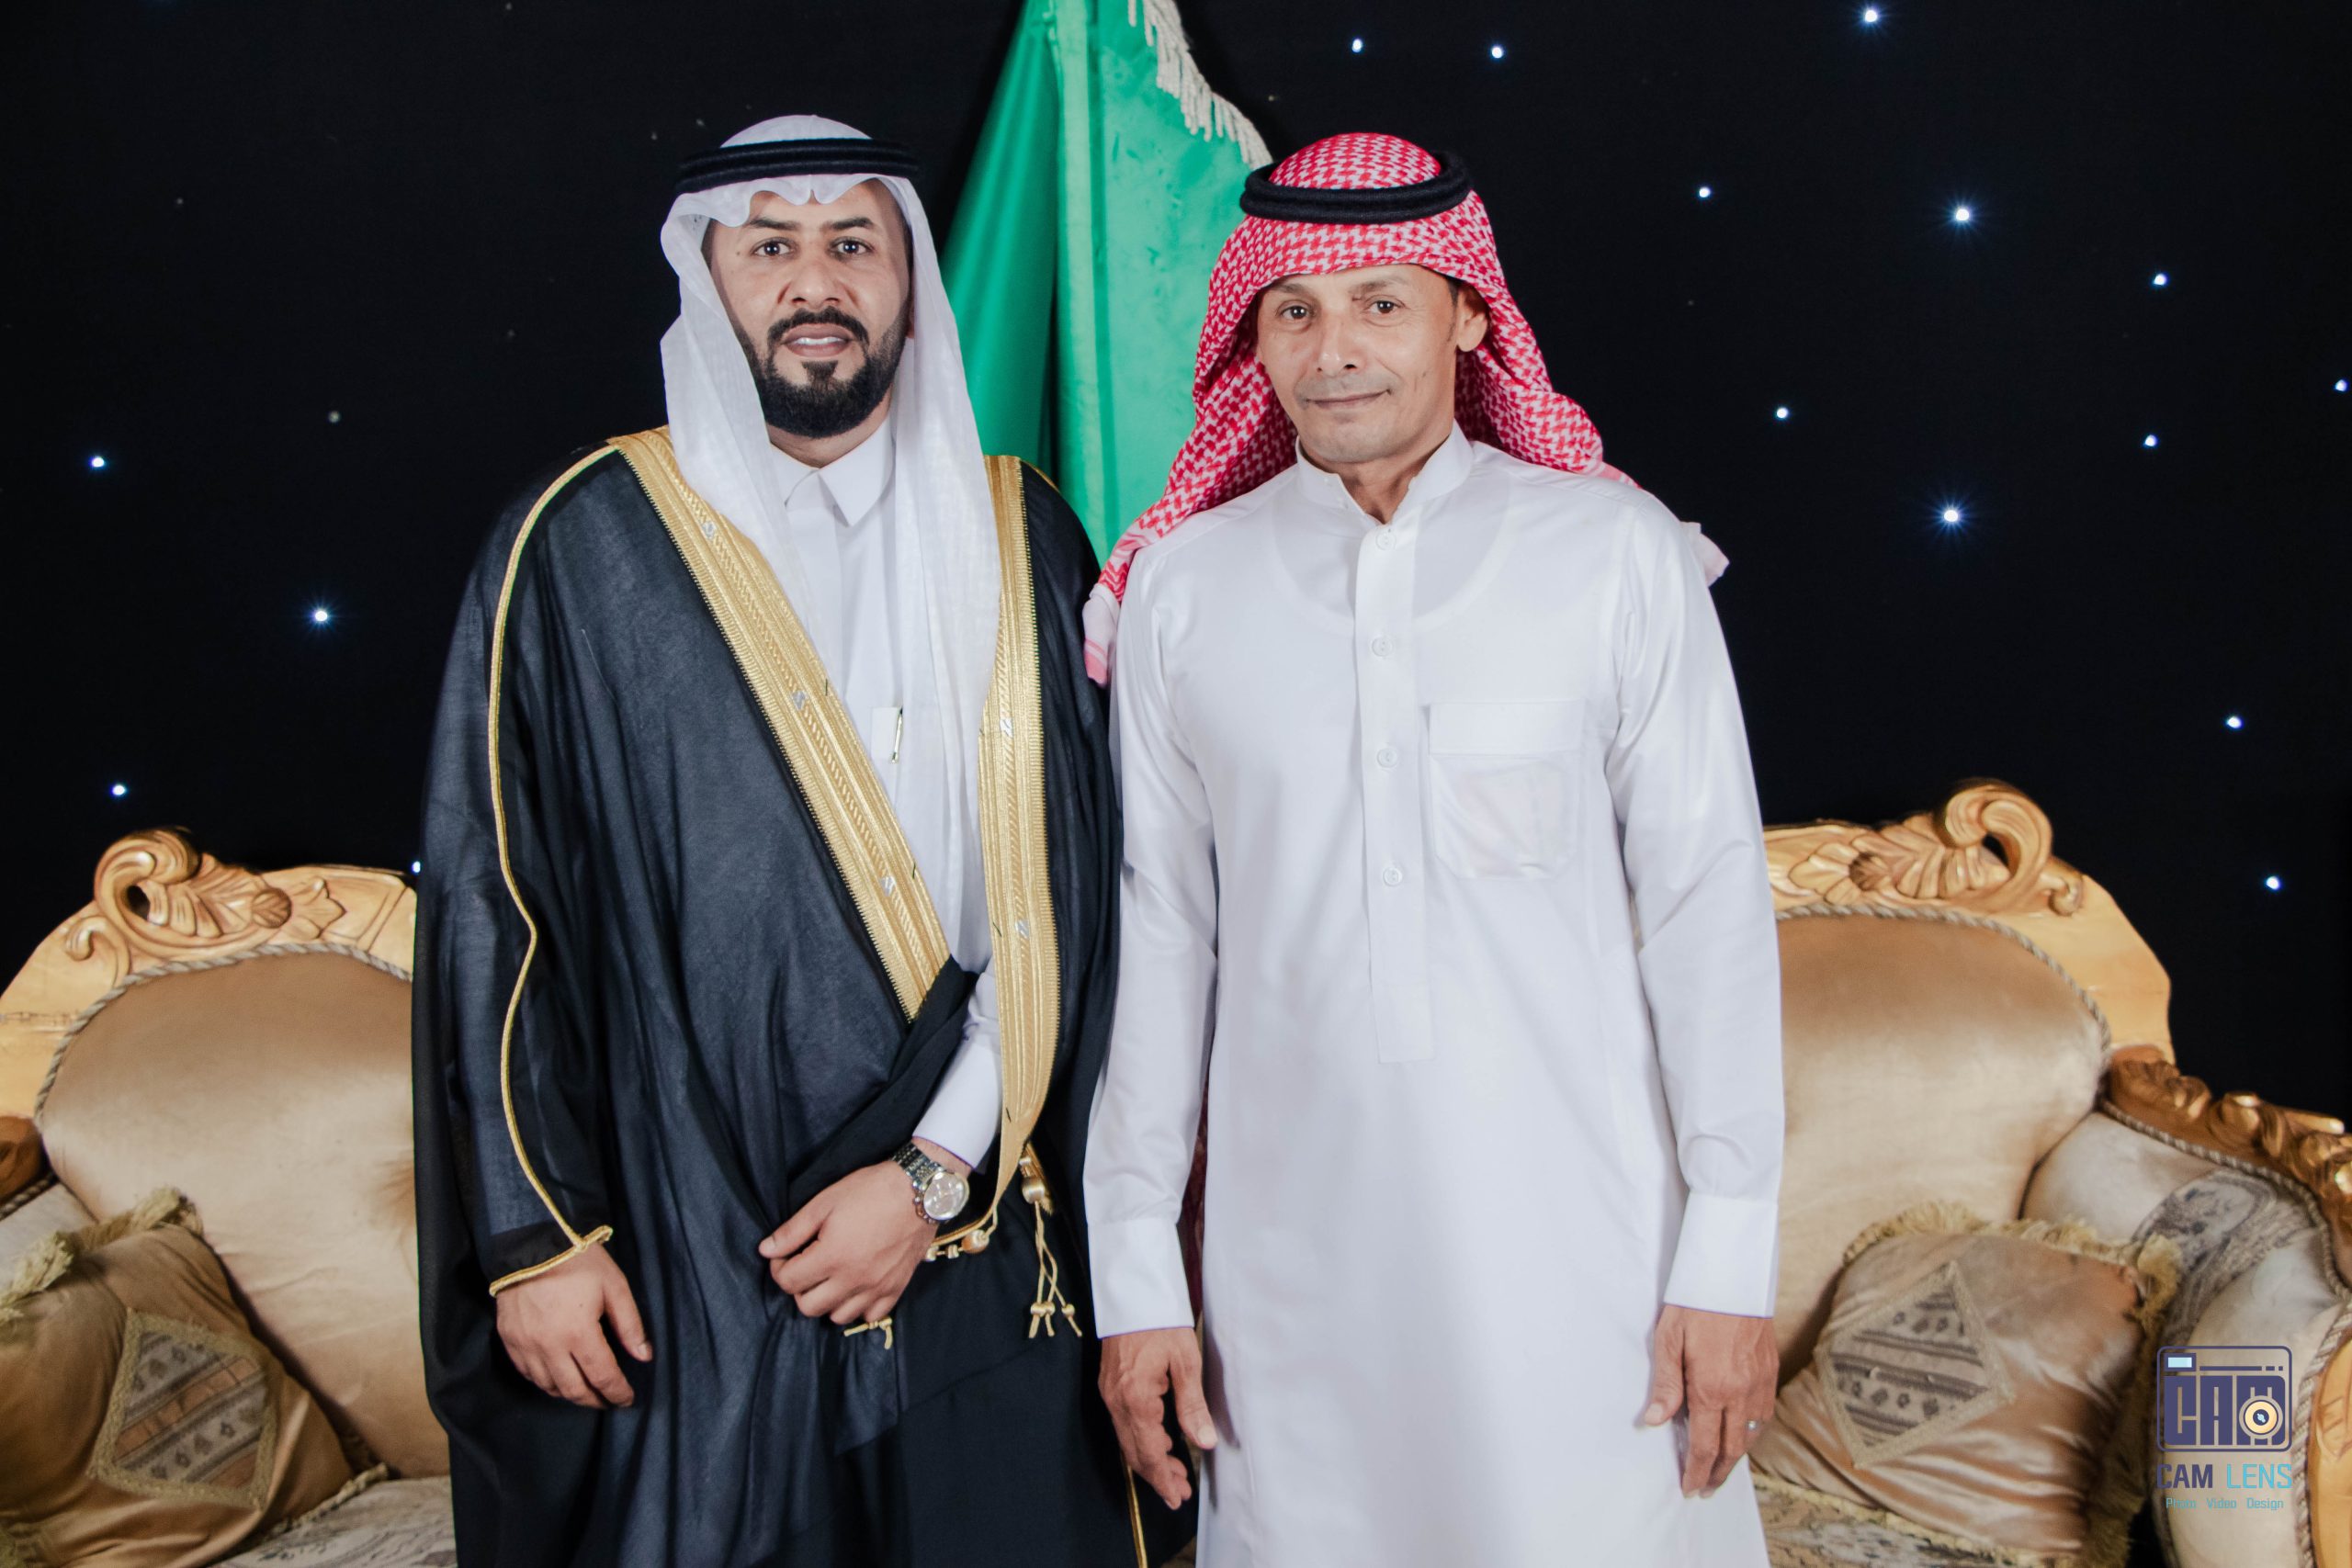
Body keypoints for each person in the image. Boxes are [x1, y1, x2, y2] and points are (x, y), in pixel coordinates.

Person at [413, 115, 1181, 1567]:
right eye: (770, 245)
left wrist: (932, 1172)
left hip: (972, 1215)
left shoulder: (1024, 531)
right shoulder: (577, 546)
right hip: (690, 1232)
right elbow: (491, 911)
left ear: (909, 281)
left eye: (852, 244)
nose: (813, 281)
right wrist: (533, 1240)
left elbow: (1075, 901)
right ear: (708, 279)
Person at [1081, 132, 1784, 1566]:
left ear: (1468, 316)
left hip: (1593, 1276)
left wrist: (1728, 1253)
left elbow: (1708, 912)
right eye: (1294, 310)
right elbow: (1160, 942)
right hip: (1292, 1291)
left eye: (1380, 304)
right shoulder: (1185, 593)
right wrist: (1140, 1274)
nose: (1333, 349)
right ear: (1252, 337)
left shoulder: (1616, 556)